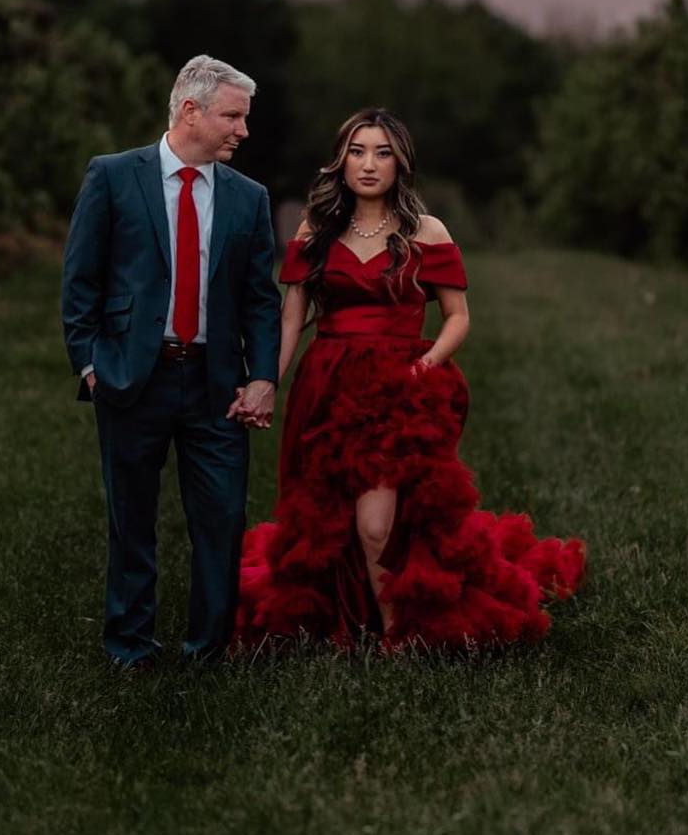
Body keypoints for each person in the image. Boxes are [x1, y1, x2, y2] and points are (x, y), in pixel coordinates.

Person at [239, 108, 585, 649]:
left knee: (377, 522)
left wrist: (422, 369)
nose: (368, 164)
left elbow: (458, 317)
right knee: (327, 511)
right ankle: (345, 615)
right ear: (340, 161)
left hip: (397, 388)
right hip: (326, 384)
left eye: (382, 153)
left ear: (400, 164)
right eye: (357, 152)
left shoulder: (426, 231)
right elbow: (291, 319)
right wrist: (267, 383)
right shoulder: (316, 229)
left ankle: (397, 636)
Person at [62, 56, 281, 667]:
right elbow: (80, 281)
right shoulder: (113, 177)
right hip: (133, 376)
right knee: (131, 517)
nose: (243, 130)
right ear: (191, 111)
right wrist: (90, 365)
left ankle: (208, 648)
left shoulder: (248, 198)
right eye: (232, 116)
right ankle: (130, 646)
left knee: (222, 518)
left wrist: (263, 377)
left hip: (217, 383)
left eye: (244, 118)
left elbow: (261, 300)